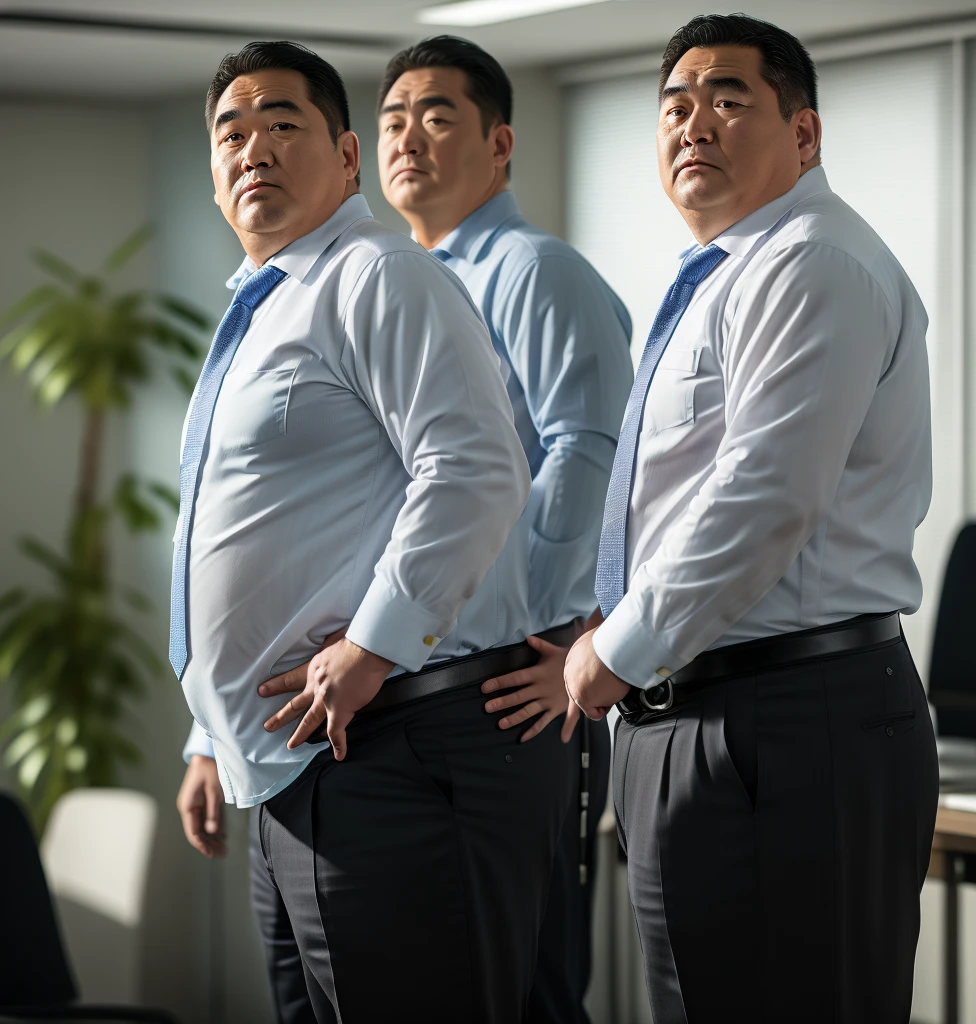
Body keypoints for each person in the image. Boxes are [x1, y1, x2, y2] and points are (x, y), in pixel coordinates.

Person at [172, 40, 573, 1024]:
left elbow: (478, 469)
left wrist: (370, 644)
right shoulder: (267, 308)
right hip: (294, 757)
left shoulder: (376, 275)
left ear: (347, 159)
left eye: (282, 124)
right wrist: (208, 731)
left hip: (395, 742)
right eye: (232, 130)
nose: (253, 146)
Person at [563, 13, 939, 1024]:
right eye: (674, 106)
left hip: (793, 718)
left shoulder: (813, 262)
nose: (694, 123)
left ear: (803, 135)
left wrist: (620, 648)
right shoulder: (727, 274)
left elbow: (763, 494)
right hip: (705, 713)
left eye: (727, 100)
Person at [376, 36, 633, 1024]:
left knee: (525, 987)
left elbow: (590, 452)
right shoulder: (404, 284)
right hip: (420, 688)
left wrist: (561, 630)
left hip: (510, 686)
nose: (408, 135)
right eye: (393, 116)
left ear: (500, 143)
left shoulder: (531, 270)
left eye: (437, 114)